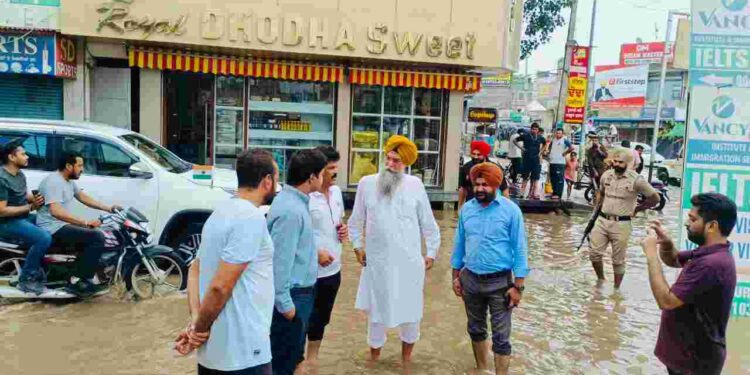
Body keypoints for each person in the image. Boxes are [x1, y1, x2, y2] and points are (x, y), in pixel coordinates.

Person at [174, 149, 279, 375]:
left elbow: (194, 270)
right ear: (267, 180)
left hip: (213, 355)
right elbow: (220, 287)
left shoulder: (219, 213)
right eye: (277, 177)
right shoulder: (250, 219)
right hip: (244, 354)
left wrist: (195, 323)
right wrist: (198, 329)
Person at [348, 135, 441, 365]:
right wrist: (357, 247)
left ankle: (406, 361)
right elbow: (355, 220)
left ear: (406, 164)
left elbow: (429, 224)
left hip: (409, 264)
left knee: (411, 314)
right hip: (377, 263)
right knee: (376, 316)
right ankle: (373, 360)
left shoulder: (415, 186)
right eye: (388, 159)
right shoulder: (367, 184)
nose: (390, 165)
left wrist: (431, 253)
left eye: (396, 161)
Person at [641, 193, 737, 375]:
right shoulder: (708, 253)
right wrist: (666, 243)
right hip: (687, 356)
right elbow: (675, 260)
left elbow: (666, 301)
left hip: (695, 361)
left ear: (712, 226)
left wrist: (651, 254)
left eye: (693, 219)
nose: (687, 223)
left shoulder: (711, 264)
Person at [452, 163, 529, 375]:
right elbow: (459, 245)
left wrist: (518, 287)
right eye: (476, 184)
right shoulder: (467, 209)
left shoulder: (511, 210)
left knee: (502, 338)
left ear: (495, 185)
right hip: (471, 280)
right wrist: (455, 276)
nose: (479, 189)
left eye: (485, 184)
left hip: (500, 283)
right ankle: (481, 369)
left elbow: (520, 249)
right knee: (476, 330)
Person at [267, 148, 327, 375]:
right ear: (311, 177)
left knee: (293, 360)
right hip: (292, 298)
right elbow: (279, 262)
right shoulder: (291, 211)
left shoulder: (294, 202)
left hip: (299, 295)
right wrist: (286, 306)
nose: (324, 178)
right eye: (322, 173)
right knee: (285, 363)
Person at [36, 152, 122, 297]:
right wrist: (85, 222)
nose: (82, 169)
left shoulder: (68, 181)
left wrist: (109, 208)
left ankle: (85, 272)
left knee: (95, 234)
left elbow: (83, 197)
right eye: (80, 165)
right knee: (96, 237)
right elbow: (56, 212)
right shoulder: (54, 182)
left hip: (60, 224)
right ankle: (79, 281)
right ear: (69, 166)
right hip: (52, 227)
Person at [589, 148, 659, 289]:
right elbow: (600, 193)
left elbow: (655, 198)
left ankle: (616, 289)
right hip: (602, 220)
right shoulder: (606, 176)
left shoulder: (636, 180)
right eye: (615, 161)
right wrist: (596, 209)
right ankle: (601, 280)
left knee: (618, 260)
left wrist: (638, 209)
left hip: (622, 224)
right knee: (594, 254)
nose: (616, 164)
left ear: (628, 163)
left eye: (620, 162)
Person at [305, 146, 348, 363]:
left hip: (333, 269)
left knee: (321, 319)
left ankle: (312, 360)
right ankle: (296, 361)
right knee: (302, 318)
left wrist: (343, 230)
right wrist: (315, 253)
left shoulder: (337, 193)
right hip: (308, 272)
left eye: (336, 167)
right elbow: (294, 236)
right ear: (318, 171)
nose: (335, 172)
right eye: (330, 168)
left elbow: (336, 221)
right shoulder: (305, 197)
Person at [0, 140, 50, 295]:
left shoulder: (19, 174)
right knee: (43, 238)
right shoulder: (2, 178)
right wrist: (30, 207)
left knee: (51, 224)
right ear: (12, 158)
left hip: (23, 217)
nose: (27, 157)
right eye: (23, 154)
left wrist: (38, 199)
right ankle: (26, 279)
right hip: (7, 223)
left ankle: (45, 271)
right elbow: (1, 211)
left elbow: (23, 195)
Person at [459, 141, 509, 209]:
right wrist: (460, 208)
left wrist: (507, 207)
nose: (475, 157)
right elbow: (463, 189)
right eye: (473, 154)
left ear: (485, 155)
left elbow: (504, 189)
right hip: (472, 205)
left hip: (491, 206)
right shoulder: (466, 168)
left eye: (479, 154)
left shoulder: (494, 169)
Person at [513, 123, 546, 199]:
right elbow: (515, 141)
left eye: (536, 129)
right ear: (531, 129)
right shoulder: (525, 136)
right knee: (525, 177)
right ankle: (521, 193)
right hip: (526, 159)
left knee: (535, 178)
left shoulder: (540, 137)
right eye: (533, 129)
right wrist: (521, 148)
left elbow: (545, 144)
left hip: (536, 160)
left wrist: (540, 152)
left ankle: (532, 194)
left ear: (538, 130)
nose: (534, 131)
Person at [546, 128, 574, 200]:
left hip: (560, 163)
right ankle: (554, 192)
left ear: (562, 134)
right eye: (557, 133)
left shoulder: (564, 140)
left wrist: (565, 153)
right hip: (552, 162)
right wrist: (548, 154)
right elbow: (549, 149)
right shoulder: (553, 141)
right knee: (553, 178)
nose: (558, 134)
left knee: (559, 179)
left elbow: (571, 147)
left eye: (559, 133)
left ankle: (558, 194)